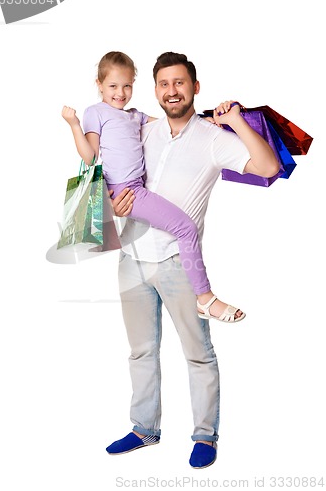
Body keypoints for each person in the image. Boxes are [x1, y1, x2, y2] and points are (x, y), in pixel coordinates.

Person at [107, 52, 280, 468]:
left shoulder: (214, 136)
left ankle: (205, 435)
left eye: (180, 83)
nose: (172, 91)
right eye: (164, 84)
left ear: (195, 87)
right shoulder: (144, 130)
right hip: (131, 257)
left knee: (198, 353)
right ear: (155, 90)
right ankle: (144, 429)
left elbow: (268, 166)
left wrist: (236, 119)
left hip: (177, 265)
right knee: (140, 351)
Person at [62, 51, 245, 322]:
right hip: (124, 190)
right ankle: (204, 298)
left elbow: (169, 125)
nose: (120, 93)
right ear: (99, 84)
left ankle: (200, 297)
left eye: (127, 86)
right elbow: (90, 157)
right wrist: (74, 125)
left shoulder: (134, 115)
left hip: (137, 188)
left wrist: (208, 121)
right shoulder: (95, 113)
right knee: (185, 228)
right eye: (112, 86)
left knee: (184, 228)